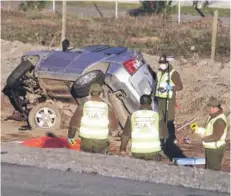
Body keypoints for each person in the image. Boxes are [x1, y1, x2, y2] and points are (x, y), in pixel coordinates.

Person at [67, 83, 119, 154]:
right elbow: (114, 127)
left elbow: (73, 125)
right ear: (101, 94)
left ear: (89, 93)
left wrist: (71, 138)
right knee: (100, 162)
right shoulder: (107, 107)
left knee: (86, 161)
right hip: (101, 142)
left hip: (86, 141)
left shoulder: (83, 106)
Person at [120, 94, 162, 161]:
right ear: (151, 103)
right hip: (153, 152)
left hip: (137, 152)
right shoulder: (157, 116)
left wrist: (122, 149)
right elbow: (164, 135)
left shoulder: (132, 116)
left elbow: (125, 135)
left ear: (140, 103)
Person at [194, 97, 228, 171]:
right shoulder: (212, 117)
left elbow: (216, 137)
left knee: (213, 170)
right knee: (209, 169)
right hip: (211, 147)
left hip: (215, 149)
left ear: (215, 108)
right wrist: (199, 130)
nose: (208, 110)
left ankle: (213, 182)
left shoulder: (219, 121)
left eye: (209, 108)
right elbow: (209, 131)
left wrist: (204, 138)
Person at [155, 54, 183, 144]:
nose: (161, 65)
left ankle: (171, 137)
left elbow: (180, 86)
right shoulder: (158, 72)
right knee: (160, 118)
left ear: (167, 63)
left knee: (169, 118)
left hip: (169, 99)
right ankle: (162, 136)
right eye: (160, 63)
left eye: (163, 63)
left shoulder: (173, 73)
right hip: (160, 98)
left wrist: (170, 87)